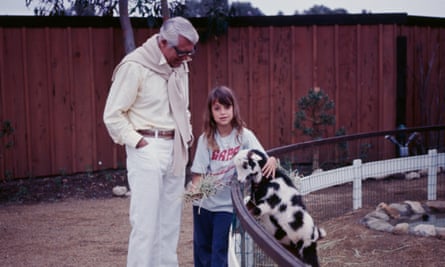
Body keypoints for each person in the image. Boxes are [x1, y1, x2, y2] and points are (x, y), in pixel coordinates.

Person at [103, 17, 199, 267]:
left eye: (190, 53)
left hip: (176, 148)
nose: (186, 58)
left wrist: (186, 135)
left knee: (170, 225)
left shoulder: (180, 65)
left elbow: (183, 106)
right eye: (182, 52)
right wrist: (139, 144)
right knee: (146, 226)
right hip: (147, 147)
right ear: (164, 42)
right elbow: (113, 115)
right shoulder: (134, 66)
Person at [188, 85, 277, 267]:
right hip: (204, 204)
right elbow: (198, 175)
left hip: (226, 205)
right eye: (217, 108)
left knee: (220, 249)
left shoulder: (244, 136)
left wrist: (273, 160)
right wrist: (195, 193)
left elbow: (262, 158)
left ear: (233, 108)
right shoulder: (206, 139)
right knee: (202, 249)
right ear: (210, 112)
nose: (222, 112)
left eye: (226, 107)